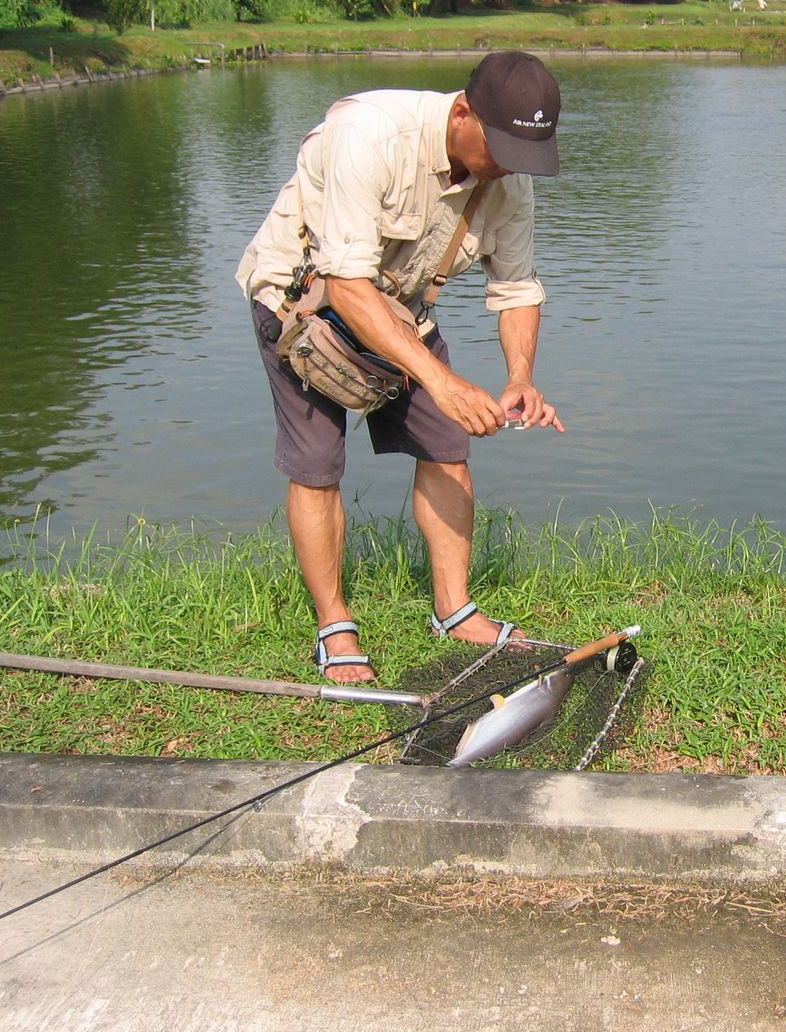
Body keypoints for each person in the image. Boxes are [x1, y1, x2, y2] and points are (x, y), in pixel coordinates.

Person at [235, 51, 566, 683]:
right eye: (498, 150)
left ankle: (453, 609)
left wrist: (520, 377)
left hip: (398, 307)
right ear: (462, 112)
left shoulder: (510, 177)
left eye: (522, 158)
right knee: (317, 463)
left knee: (448, 448)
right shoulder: (370, 134)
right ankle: (334, 623)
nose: (506, 169)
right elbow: (347, 285)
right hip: (303, 302)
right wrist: (441, 380)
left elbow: (518, 288)